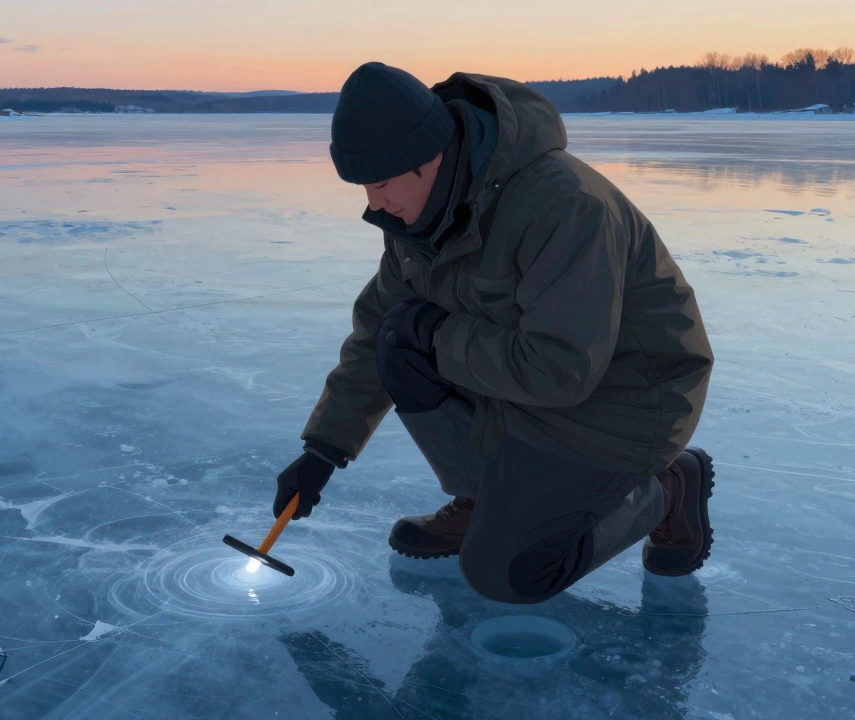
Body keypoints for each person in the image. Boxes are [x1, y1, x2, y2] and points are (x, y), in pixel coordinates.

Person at [273, 62, 715, 605]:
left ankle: (666, 491)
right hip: (527, 391)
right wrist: (323, 450)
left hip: (624, 403)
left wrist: (437, 334)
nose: (373, 202)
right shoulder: (419, 219)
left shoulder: (564, 206)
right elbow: (374, 335)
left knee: (506, 574)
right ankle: (483, 500)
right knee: (396, 338)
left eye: (381, 183)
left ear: (427, 158)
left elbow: (562, 368)